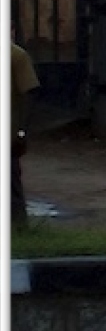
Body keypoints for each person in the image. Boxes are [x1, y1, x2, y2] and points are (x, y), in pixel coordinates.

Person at [12, 40, 40, 226]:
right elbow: (30, 93)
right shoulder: (16, 54)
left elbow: (30, 93)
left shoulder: (15, 55)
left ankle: (18, 226)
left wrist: (21, 130)